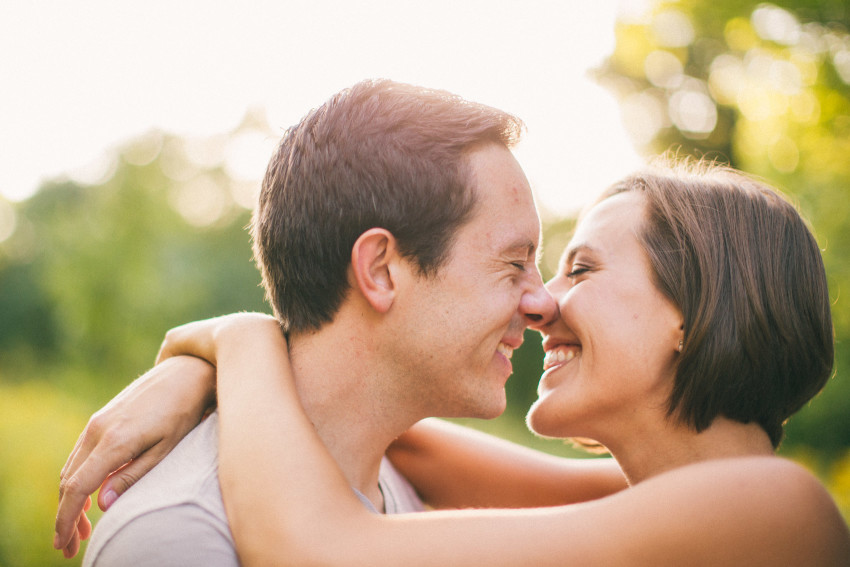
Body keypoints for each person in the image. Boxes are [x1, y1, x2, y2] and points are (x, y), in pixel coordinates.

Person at [145, 161, 850, 564]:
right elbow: (372, 416)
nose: (542, 302)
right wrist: (198, 370)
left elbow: (315, 550)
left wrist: (236, 341)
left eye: (582, 269)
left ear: (690, 317)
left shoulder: (776, 511)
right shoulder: (644, 494)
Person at [53, 79, 629, 561]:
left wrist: (236, 346)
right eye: (513, 263)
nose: (542, 303)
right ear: (380, 269)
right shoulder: (181, 537)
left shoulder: (398, 488)